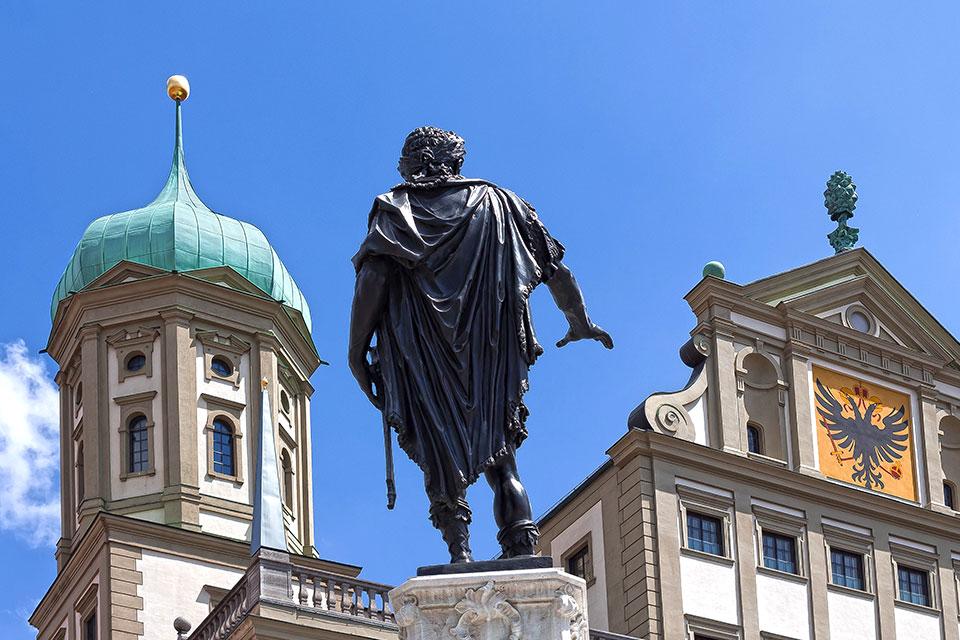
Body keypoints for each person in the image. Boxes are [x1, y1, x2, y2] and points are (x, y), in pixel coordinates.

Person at [349, 126, 612, 563]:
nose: (401, 168)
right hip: (489, 353)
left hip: (422, 351)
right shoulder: (501, 203)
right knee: (502, 458)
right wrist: (579, 321)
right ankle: (521, 547)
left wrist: (356, 352)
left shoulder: (394, 208)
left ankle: (460, 555)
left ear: (423, 161)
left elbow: (373, 279)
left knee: (440, 453)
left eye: (405, 160)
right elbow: (555, 269)